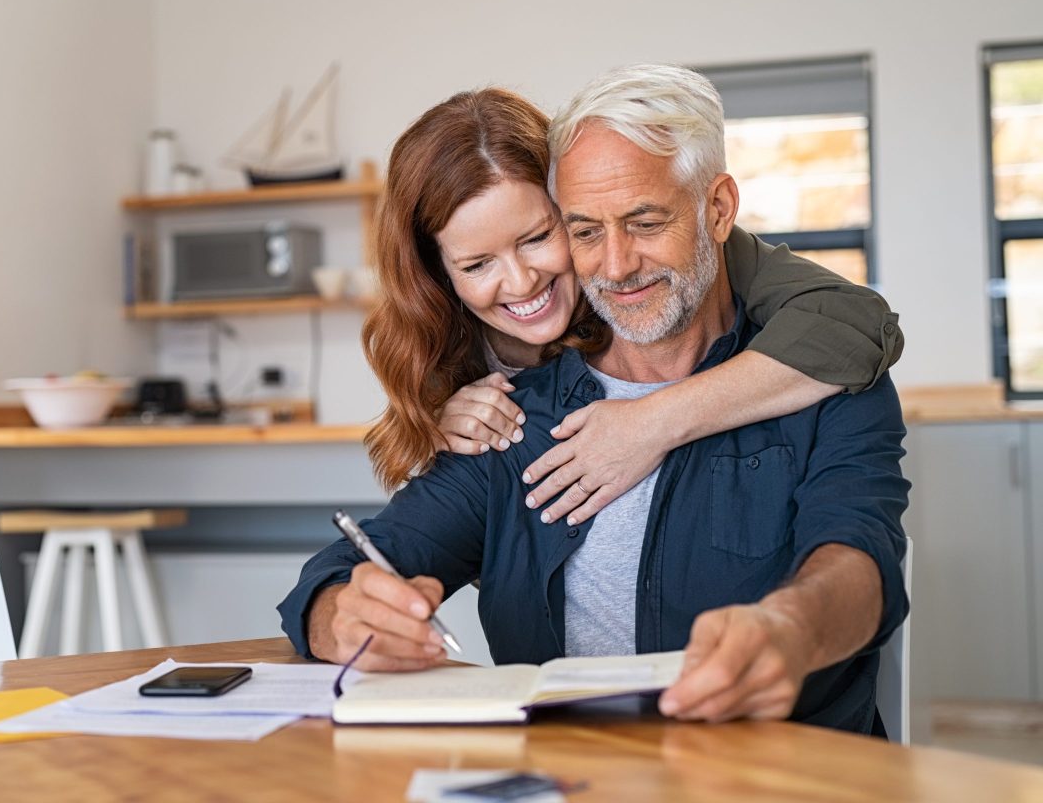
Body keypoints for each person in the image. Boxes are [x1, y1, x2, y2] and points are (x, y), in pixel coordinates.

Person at [279, 64, 909, 734]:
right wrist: (339, 613)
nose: (615, 265)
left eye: (644, 222)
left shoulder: (818, 374)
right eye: (584, 231)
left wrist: (792, 626)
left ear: (718, 210)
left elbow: (859, 556)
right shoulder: (508, 413)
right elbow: (345, 570)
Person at [362, 89, 901, 529]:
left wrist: (651, 423)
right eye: (477, 265)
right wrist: (435, 422)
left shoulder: (670, 268)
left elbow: (858, 323)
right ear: (440, 273)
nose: (521, 281)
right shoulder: (433, 338)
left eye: (537, 237)